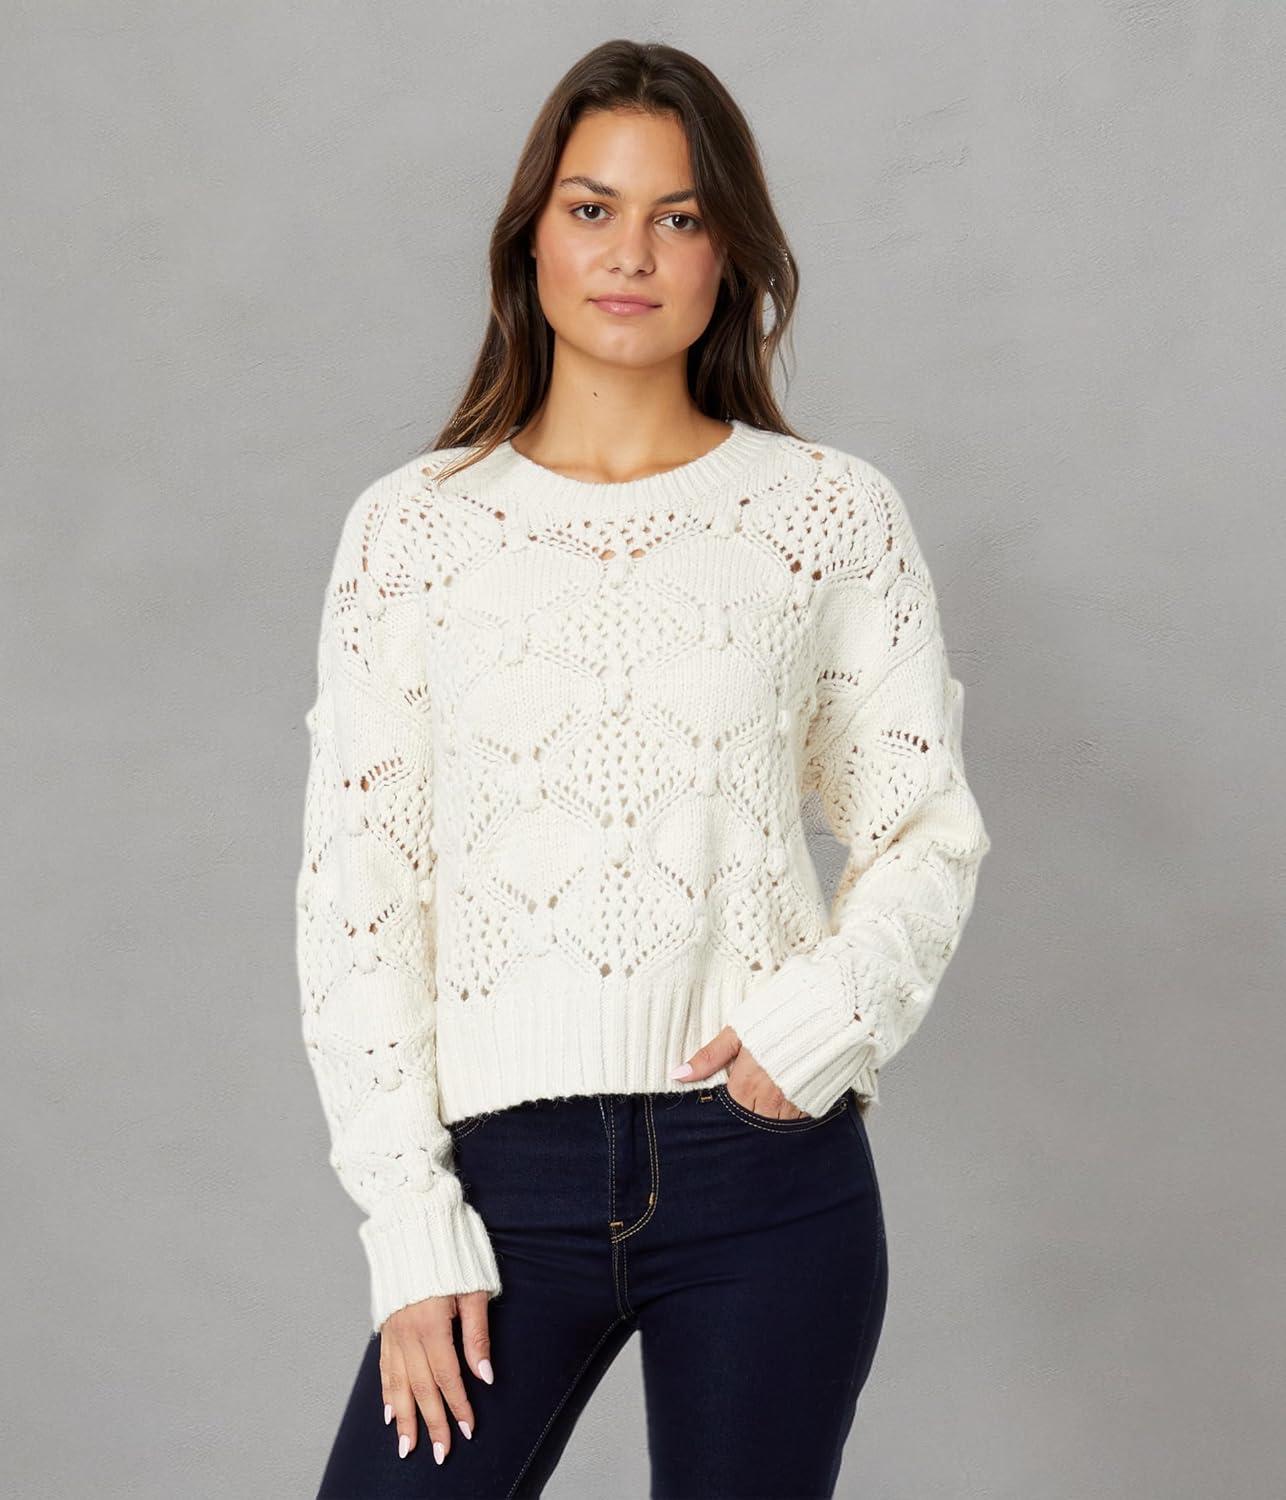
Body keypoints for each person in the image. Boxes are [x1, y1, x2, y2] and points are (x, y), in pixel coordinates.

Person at [296, 37, 991, 1500]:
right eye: (591, 208)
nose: (631, 254)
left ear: (728, 252)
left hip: (762, 1176)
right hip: (503, 1185)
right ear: (530, 237)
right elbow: (358, 904)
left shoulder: (825, 515)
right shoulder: (411, 532)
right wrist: (409, 1223)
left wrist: (818, 1028)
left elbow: (923, 829)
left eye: (678, 216)